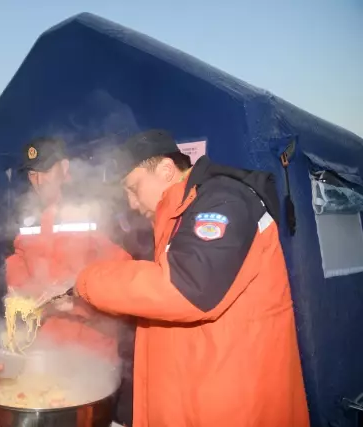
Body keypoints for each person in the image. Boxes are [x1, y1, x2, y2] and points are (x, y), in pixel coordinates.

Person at [74, 129, 309, 427]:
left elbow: (183, 291)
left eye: (133, 189)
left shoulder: (224, 201)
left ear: (166, 170)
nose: (131, 204)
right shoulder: (178, 216)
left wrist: (87, 282)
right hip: (196, 400)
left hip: (234, 408)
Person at [5, 137, 131, 360]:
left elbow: (124, 276)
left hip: (90, 348)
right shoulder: (30, 215)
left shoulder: (96, 208)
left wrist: (77, 303)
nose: (39, 181)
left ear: (64, 167)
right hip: (45, 342)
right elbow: (19, 258)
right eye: (32, 174)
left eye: (45, 171)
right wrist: (18, 289)